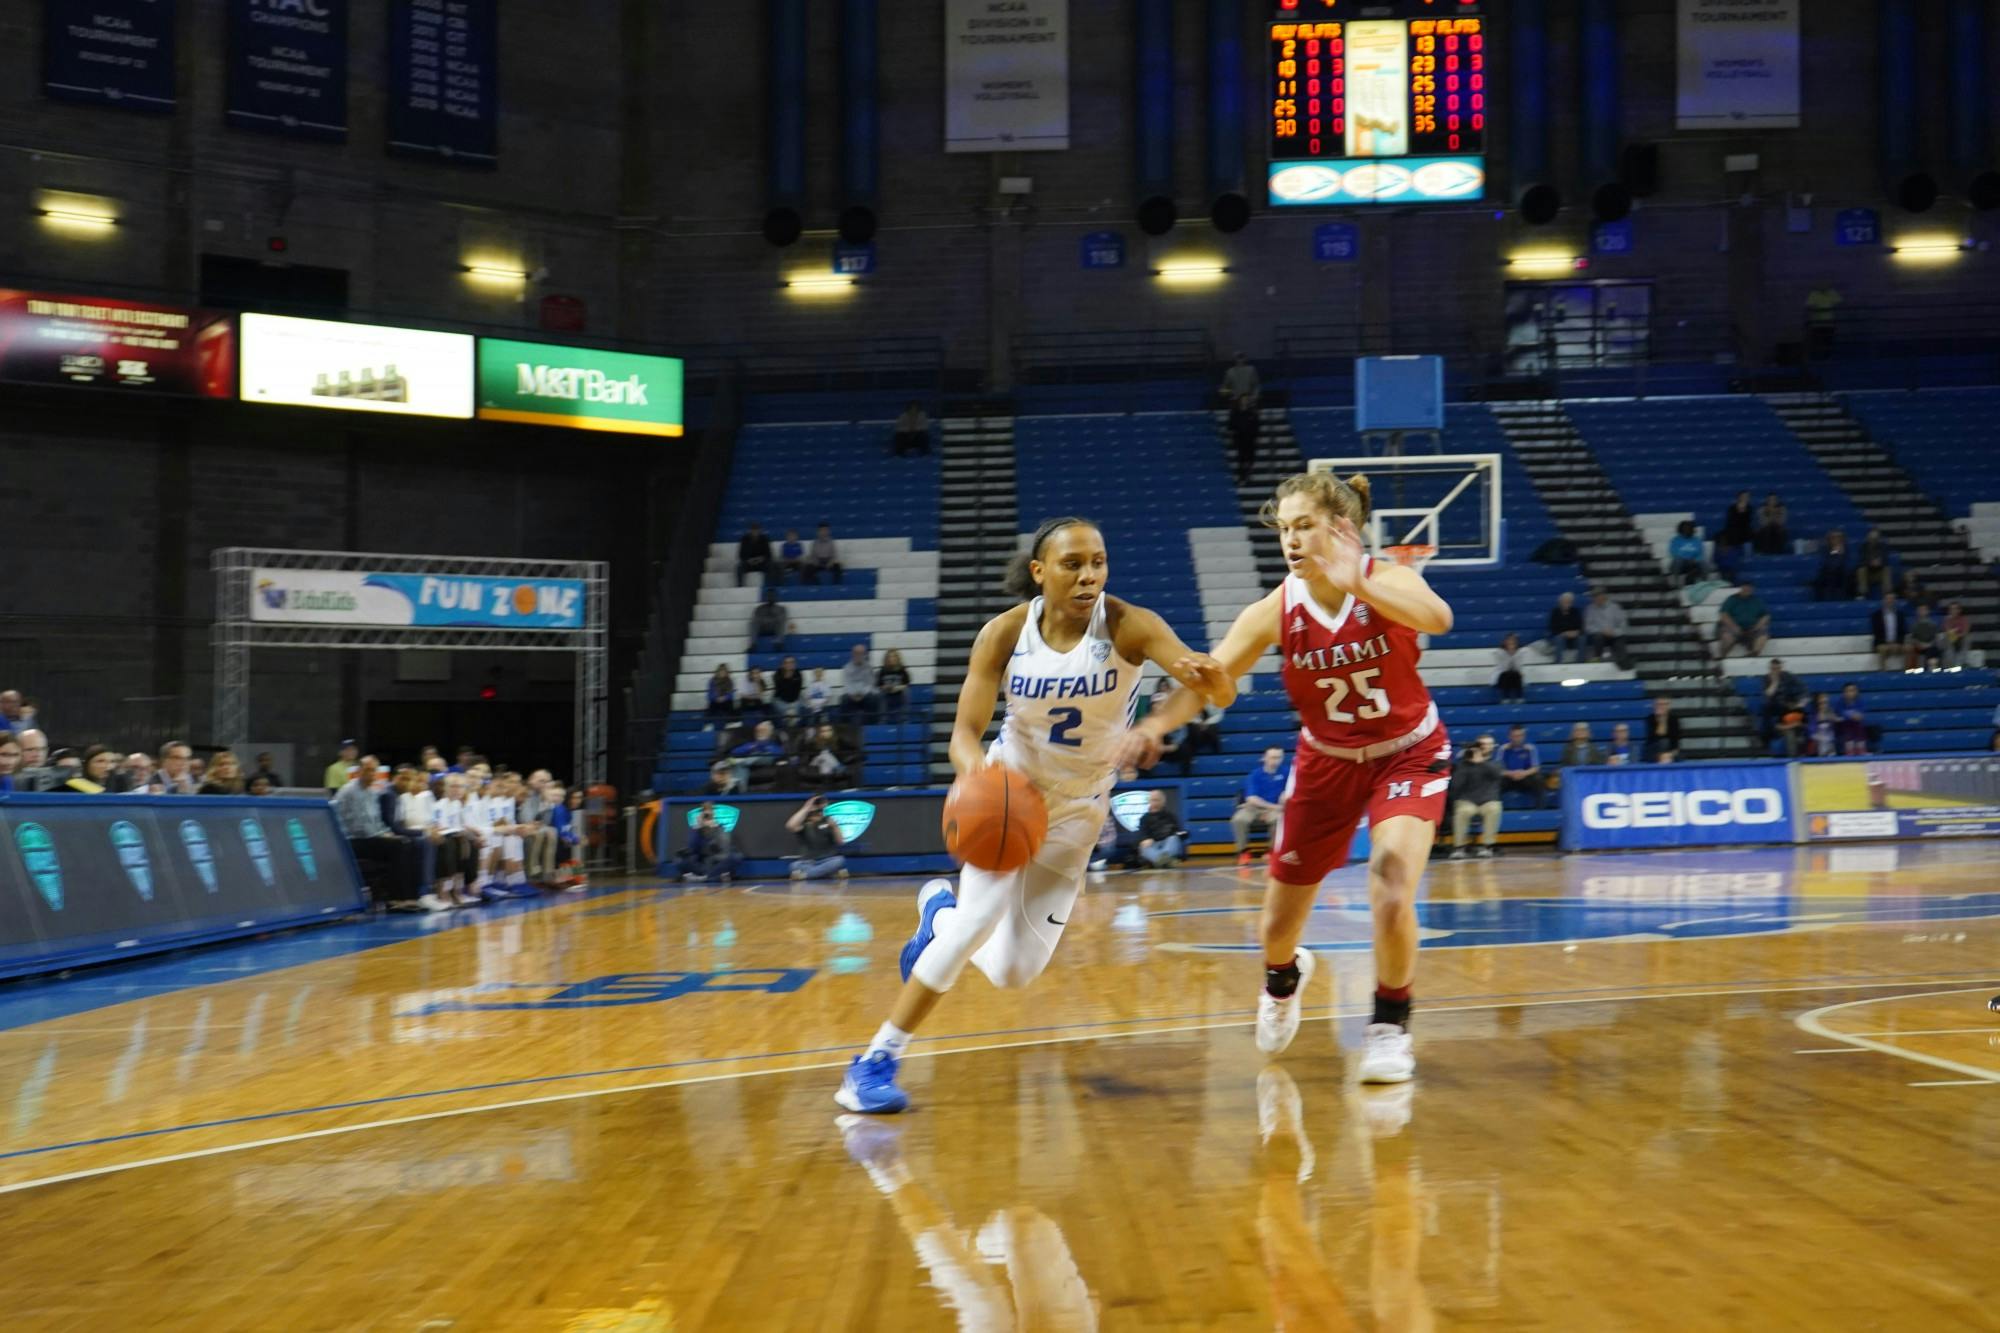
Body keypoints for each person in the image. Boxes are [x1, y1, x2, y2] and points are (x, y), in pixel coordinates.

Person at [833, 514, 1229, 1114]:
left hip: (1079, 812)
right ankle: (874, 1061)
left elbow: (1207, 691)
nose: (1089, 575)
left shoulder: (1130, 625)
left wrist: (1162, 719)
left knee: (1014, 972)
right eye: (1073, 564)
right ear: (1040, 572)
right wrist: (980, 778)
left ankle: (937, 919)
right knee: (977, 923)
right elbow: (964, 733)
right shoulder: (1003, 634)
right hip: (1012, 792)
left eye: (1097, 561)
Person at [1165, 470, 1454, 1086]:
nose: (1291, 541)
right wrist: (1161, 719)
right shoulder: (1275, 609)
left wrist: (1359, 584)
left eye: (1304, 527)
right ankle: (1283, 977)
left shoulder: (1387, 580)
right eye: (1284, 530)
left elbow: (1439, 618)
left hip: (1406, 751)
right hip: (1325, 763)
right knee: (1275, 928)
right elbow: (1216, 683)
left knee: (1393, 878)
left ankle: (1390, 1026)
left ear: (1340, 529)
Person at [336, 758, 420, 908]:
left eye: (375, 770)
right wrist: (384, 836)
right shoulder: (350, 791)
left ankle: (411, 896)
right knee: (399, 845)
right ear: (359, 771)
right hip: (353, 840)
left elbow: (377, 821)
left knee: (409, 843)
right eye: (369, 770)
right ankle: (395, 898)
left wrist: (388, 833)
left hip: (370, 837)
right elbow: (360, 826)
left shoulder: (372, 792)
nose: (373, 774)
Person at [1447, 734, 1501, 860]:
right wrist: (1465, 763)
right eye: (1483, 744)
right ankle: (1459, 848)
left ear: (1493, 746)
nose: (1486, 746)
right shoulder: (1464, 764)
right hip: (1467, 800)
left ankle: (1487, 846)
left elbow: (1497, 775)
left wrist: (1481, 762)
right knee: (1463, 811)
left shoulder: (1496, 762)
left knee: (1494, 809)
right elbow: (1455, 785)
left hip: (1488, 800)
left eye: (1489, 744)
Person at [1231, 747, 1289, 865]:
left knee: (1279, 819)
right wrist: (1272, 807)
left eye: (1278, 757)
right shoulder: (1255, 775)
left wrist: (1286, 794)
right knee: (1238, 819)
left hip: (1276, 809)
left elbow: (1295, 789)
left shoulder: (1287, 772)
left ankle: (1272, 851)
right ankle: (1243, 851)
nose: (1275, 760)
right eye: (1272, 757)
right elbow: (1252, 799)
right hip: (1256, 808)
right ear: (1264, 758)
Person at [788, 794, 849, 881]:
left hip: (827, 859)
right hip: (807, 861)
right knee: (794, 866)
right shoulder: (804, 824)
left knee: (839, 860)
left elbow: (841, 842)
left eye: (820, 812)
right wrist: (807, 807)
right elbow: (790, 826)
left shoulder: (828, 821)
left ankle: (805, 876)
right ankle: (827, 874)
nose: (818, 814)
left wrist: (834, 827)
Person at [679, 801, 740, 883]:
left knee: (736, 856)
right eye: (705, 813)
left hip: (716, 862)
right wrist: (698, 828)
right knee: (679, 859)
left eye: (710, 812)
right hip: (701, 863)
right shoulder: (696, 829)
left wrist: (714, 830)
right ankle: (715, 877)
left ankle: (703, 878)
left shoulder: (719, 827)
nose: (707, 816)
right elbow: (692, 849)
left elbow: (724, 849)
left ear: (713, 814)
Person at [1761, 658, 1808, 754]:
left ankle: (1801, 735)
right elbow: (1768, 694)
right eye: (1773, 669)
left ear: (1781, 668)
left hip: (1789, 706)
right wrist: (1775, 682)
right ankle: (1766, 739)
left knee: (1799, 710)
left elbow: (1803, 688)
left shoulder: (1788, 676)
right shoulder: (1766, 678)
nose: (1776, 671)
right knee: (1766, 707)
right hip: (1775, 707)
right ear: (1770, 669)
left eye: (1778, 668)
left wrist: (1801, 702)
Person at [1715, 581, 1770, 658]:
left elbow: (1765, 615)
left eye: (1749, 589)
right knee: (1727, 637)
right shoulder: (1731, 599)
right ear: (1741, 588)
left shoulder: (1757, 600)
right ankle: (1722, 657)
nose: (1747, 591)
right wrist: (1734, 627)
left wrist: (1757, 626)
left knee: (1763, 634)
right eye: (1745, 589)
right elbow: (1724, 615)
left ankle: (1754, 654)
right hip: (1733, 626)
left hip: (1751, 627)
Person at [729, 719, 786, 788]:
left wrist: (764, 746)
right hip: (750, 760)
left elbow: (779, 753)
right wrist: (751, 747)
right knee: (741, 767)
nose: (760, 732)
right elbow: (735, 752)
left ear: (769, 733)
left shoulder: (772, 744)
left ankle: (742, 761)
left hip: (767, 758)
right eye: (759, 731)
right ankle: (740, 792)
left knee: (758, 756)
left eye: (763, 731)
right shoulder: (751, 744)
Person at [1134, 790, 1185, 868]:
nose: (1154, 803)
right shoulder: (1144, 818)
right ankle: (1166, 861)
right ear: (1149, 801)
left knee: (1174, 839)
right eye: (1152, 800)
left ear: (1163, 802)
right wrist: (1145, 839)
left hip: (1167, 844)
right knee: (1143, 847)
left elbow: (1179, 832)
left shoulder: (1171, 816)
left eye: (1157, 800)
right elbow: (1142, 833)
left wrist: (1179, 834)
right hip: (1153, 844)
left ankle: (1160, 861)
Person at [1498, 725, 1544, 808]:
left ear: (1524, 736)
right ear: (1509, 736)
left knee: (1538, 779)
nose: (1517, 738)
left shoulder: (1531, 748)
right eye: (1514, 736)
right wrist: (1510, 773)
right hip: (1509, 779)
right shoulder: (1503, 749)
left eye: (1520, 736)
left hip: (1525, 778)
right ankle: (1497, 809)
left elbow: (1536, 768)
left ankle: (1540, 809)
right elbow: (1497, 769)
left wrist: (1524, 773)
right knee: (1495, 781)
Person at [1584, 588, 1631, 668]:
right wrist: (1602, 631)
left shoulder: (1615, 607)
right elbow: (1588, 626)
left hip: (1614, 634)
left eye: (1597, 596)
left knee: (1619, 640)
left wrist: (1614, 632)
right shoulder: (1590, 609)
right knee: (1598, 637)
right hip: (1600, 635)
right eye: (1594, 597)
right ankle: (1597, 659)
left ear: (1604, 597)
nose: (1595, 599)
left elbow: (1623, 624)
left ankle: (1623, 663)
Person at [52, 744, 123, 795]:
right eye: (100, 761)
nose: (107, 766)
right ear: (86, 765)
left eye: (112, 761)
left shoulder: (120, 785)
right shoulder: (74, 786)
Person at [1715, 491, 1754, 581]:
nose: (1745, 498)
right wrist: (1739, 511)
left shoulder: (1750, 509)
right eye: (1743, 496)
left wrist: (1743, 511)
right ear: (1739, 498)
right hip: (1732, 532)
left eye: (1747, 497)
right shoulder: (1731, 508)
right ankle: (1726, 565)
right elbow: (1731, 522)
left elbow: (1746, 523)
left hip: (1744, 532)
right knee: (1723, 537)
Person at [839, 644, 877, 722]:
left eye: (861, 653)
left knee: (873, 697)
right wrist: (853, 694)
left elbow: (870, 683)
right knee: (844, 699)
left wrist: (862, 694)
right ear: (852, 654)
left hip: (865, 694)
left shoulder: (869, 667)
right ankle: (845, 726)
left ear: (865, 655)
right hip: (852, 695)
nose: (858, 656)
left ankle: (871, 724)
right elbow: (847, 683)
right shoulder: (847, 667)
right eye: (856, 653)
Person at [1854, 528, 1894, 598]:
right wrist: (1870, 563)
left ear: (1879, 538)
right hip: (1867, 573)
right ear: (1868, 538)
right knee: (1861, 569)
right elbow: (1860, 561)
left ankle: (1887, 593)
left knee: (1887, 569)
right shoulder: (1863, 547)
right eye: (1872, 538)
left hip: (1879, 572)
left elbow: (1886, 560)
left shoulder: (1883, 546)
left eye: (1875, 538)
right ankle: (1862, 593)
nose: (1873, 540)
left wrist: (1880, 563)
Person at [1870, 592, 1905, 673]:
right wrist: (1887, 643)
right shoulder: (1876, 615)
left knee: (1909, 648)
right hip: (1881, 642)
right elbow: (1876, 632)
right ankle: (1883, 671)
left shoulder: (1900, 615)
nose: (1890, 601)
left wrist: (1898, 642)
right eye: (1888, 599)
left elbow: (1902, 631)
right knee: (1883, 649)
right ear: (1884, 600)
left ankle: (1907, 671)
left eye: (1892, 599)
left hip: (1897, 642)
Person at [749, 588, 791, 653]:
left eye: (772, 596)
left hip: (775, 629)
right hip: (762, 629)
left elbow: (781, 619)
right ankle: (753, 644)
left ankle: (779, 642)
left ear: (776, 597)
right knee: (753, 622)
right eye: (769, 596)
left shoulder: (781, 608)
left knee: (780, 622)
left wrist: (773, 613)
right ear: (766, 597)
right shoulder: (759, 608)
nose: (770, 597)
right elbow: (757, 619)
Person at [1814, 530, 1851, 602]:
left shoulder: (1845, 549)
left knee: (1842, 572)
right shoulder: (1825, 549)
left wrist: (1840, 554)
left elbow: (1844, 562)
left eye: (1838, 538)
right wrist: (1836, 552)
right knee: (1826, 573)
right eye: (1833, 538)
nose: (1835, 540)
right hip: (1827, 573)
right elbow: (1826, 561)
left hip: (1841, 573)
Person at [1547, 591, 1583, 664]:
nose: (1567, 604)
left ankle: (1581, 662)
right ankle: (1558, 663)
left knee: (1582, 638)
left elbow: (1581, 627)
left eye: (1569, 602)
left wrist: (1576, 632)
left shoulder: (1576, 611)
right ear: (1560, 602)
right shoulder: (1555, 612)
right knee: (1559, 638)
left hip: (1573, 637)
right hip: (1559, 636)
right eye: (1565, 602)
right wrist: (1564, 633)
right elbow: (1552, 629)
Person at [876, 649, 912, 723]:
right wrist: (886, 688)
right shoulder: (882, 671)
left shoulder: (903, 670)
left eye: (893, 656)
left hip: (899, 693)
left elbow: (906, 684)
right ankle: (883, 720)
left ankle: (904, 720)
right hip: (887, 693)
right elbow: (879, 685)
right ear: (886, 659)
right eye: (889, 657)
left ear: (897, 658)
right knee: (880, 694)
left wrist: (896, 688)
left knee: (906, 692)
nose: (891, 659)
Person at [1667, 520, 1707, 586]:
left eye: (1689, 528)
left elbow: (1700, 553)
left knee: (1703, 562)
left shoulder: (1697, 540)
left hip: (1693, 563)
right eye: (1685, 529)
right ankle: (1675, 581)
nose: (1687, 530)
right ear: (1681, 530)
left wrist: (1695, 560)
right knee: (1678, 560)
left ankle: (1704, 583)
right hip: (1681, 563)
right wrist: (1686, 559)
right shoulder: (1675, 540)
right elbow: (1674, 552)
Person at [1643, 696, 1682, 764]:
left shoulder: (1674, 719)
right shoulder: (1650, 719)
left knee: (1679, 756)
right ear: (1655, 706)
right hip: (1653, 751)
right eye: (1659, 704)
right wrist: (1662, 719)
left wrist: (1670, 754)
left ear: (1668, 706)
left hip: (1670, 752)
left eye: (1664, 704)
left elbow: (1675, 742)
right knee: (1663, 742)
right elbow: (1655, 738)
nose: (1661, 706)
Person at [1493, 632, 1527, 705]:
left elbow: (1518, 667)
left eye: (1513, 641)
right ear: (1505, 642)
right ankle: (1505, 698)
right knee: (1507, 674)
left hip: (1515, 676)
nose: (1511, 642)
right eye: (1509, 640)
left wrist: (1514, 654)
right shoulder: (1499, 652)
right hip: (1503, 676)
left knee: (1516, 674)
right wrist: (1509, 655)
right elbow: (1503, 668)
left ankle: (1519, 698)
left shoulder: (1520, 652)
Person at [1837, 682, 1870, 755]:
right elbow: (1840, 715)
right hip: (1846, 728)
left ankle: (1861, 751)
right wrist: (1852, 716)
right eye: (1848, 691)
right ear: (1844, 693)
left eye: (1852, 690)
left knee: (1859, 727)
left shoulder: (1861, 701)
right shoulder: (1840, 702)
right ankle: (1849, 752)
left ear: (1856, 692)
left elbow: (1860, 716)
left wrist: (1850, 716)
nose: (1850, 693)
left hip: (1858, 727)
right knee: (1847, 729)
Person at [1806, 692, 1841, 757]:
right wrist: (1820, 737)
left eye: (1826, 703)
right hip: (1818, 740)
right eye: (1821, 703)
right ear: (1817, 704)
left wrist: (1835, 720)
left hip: (1830, 740)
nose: (1824, 705)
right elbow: (1811, 733)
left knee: (1830, 741)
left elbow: (1835, 729)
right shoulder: (1813, 716)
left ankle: (1831, 755)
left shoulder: (1831, 713)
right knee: (1822, 742)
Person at [1908, 602, 1942, 670]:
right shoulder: (1914, 625)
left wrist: (1928, 645)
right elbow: (1912, 638)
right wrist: (1919, 644)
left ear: (1927, 611)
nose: (1922, 612)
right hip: (1918, 646)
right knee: (1911, 649)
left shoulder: (1933, 624)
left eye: (1924, 610)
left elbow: (1935, 637)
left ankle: (1930, 670)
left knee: (1933, 650)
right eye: (1920, 610)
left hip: (1930, 646)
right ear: (1917, 612)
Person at [772, 655, 805, 723]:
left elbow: (797, 691)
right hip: (780, 699)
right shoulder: (777, 673)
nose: (789, 664)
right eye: (787, 662)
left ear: (795, 664)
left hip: (795, 699)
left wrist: (792, 706)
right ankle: (790, 718)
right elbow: (782, 691)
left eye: (792, 662)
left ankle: (790, 718)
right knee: (790, 713)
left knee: (800, 704)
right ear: (783, 664)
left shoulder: (798, 673)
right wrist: (787, 674)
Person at [1942, 602, 1973, 668]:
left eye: (1955, 609)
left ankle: (1958, 664)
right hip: (1951, 639)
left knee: (1967, 638)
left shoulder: (1964, 619)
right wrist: (1955, 633)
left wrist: (1956, 634)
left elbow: (1965, 632)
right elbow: (1948, 631)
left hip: (1961, 639)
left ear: (1959, 610)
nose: (1953, 611)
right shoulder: (1947, 620)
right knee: (1947, 638)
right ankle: (1952, 665)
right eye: (1951, 609)